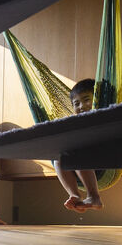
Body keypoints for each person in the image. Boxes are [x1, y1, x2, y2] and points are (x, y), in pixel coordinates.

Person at [53, 79, 103, 213]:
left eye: (86, 100)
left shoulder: (104, 115)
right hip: (77, 170)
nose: (81, 106)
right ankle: (74, 195)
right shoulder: (75, 123)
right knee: (57, 157)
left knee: (77, 152)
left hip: (103, 166)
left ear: (98, 99)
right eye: (76, 103)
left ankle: (94, 196)